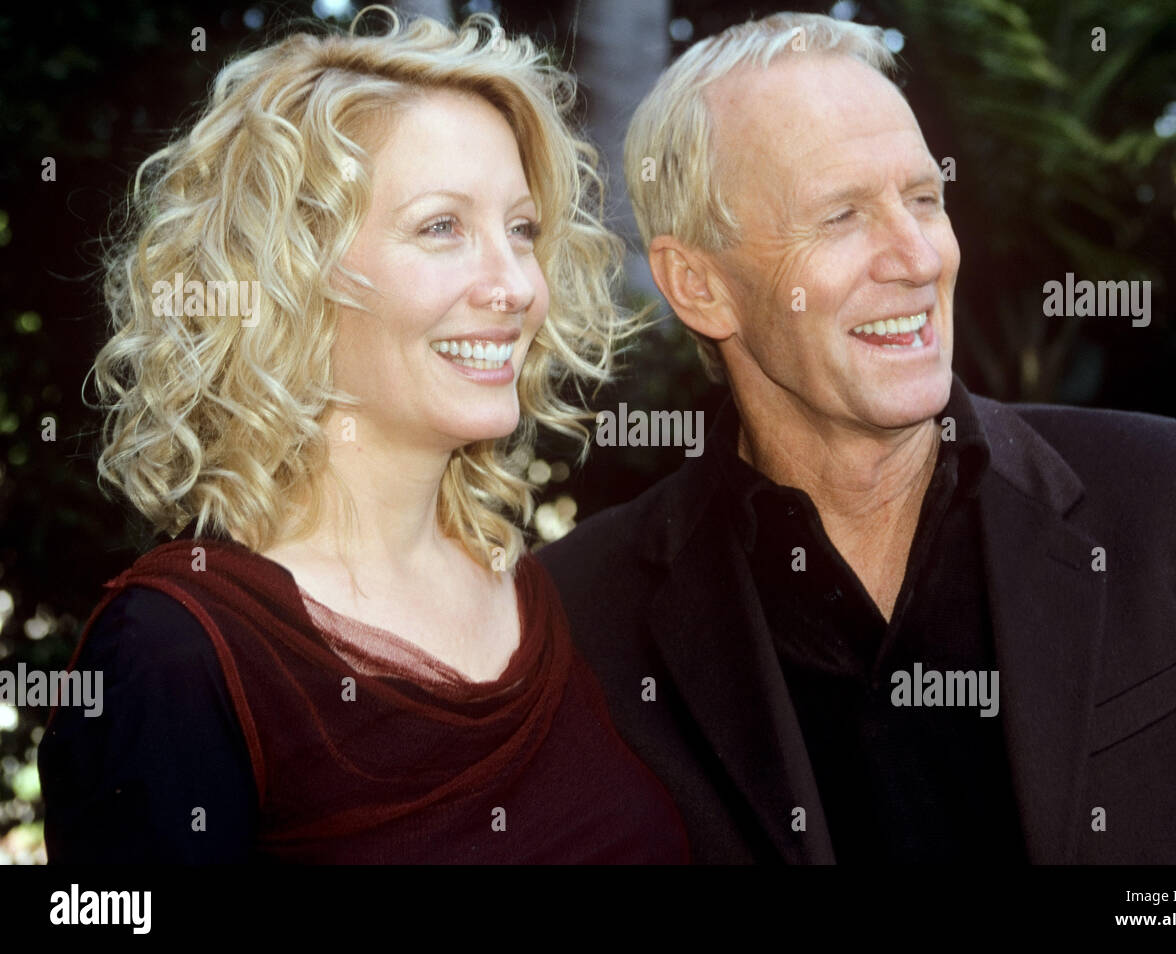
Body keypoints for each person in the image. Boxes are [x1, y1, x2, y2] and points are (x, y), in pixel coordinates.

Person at [538, 12, 1176, 864]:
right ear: (699, 284)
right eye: (841, 215)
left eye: (924, 200)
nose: (917, 257)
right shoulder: (577, 620)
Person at [38, 8, 689, 864]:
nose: (514, 286)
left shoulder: (544, 595)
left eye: (522, 229)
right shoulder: (175, 657)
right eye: (442, 227)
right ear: (292, 274)